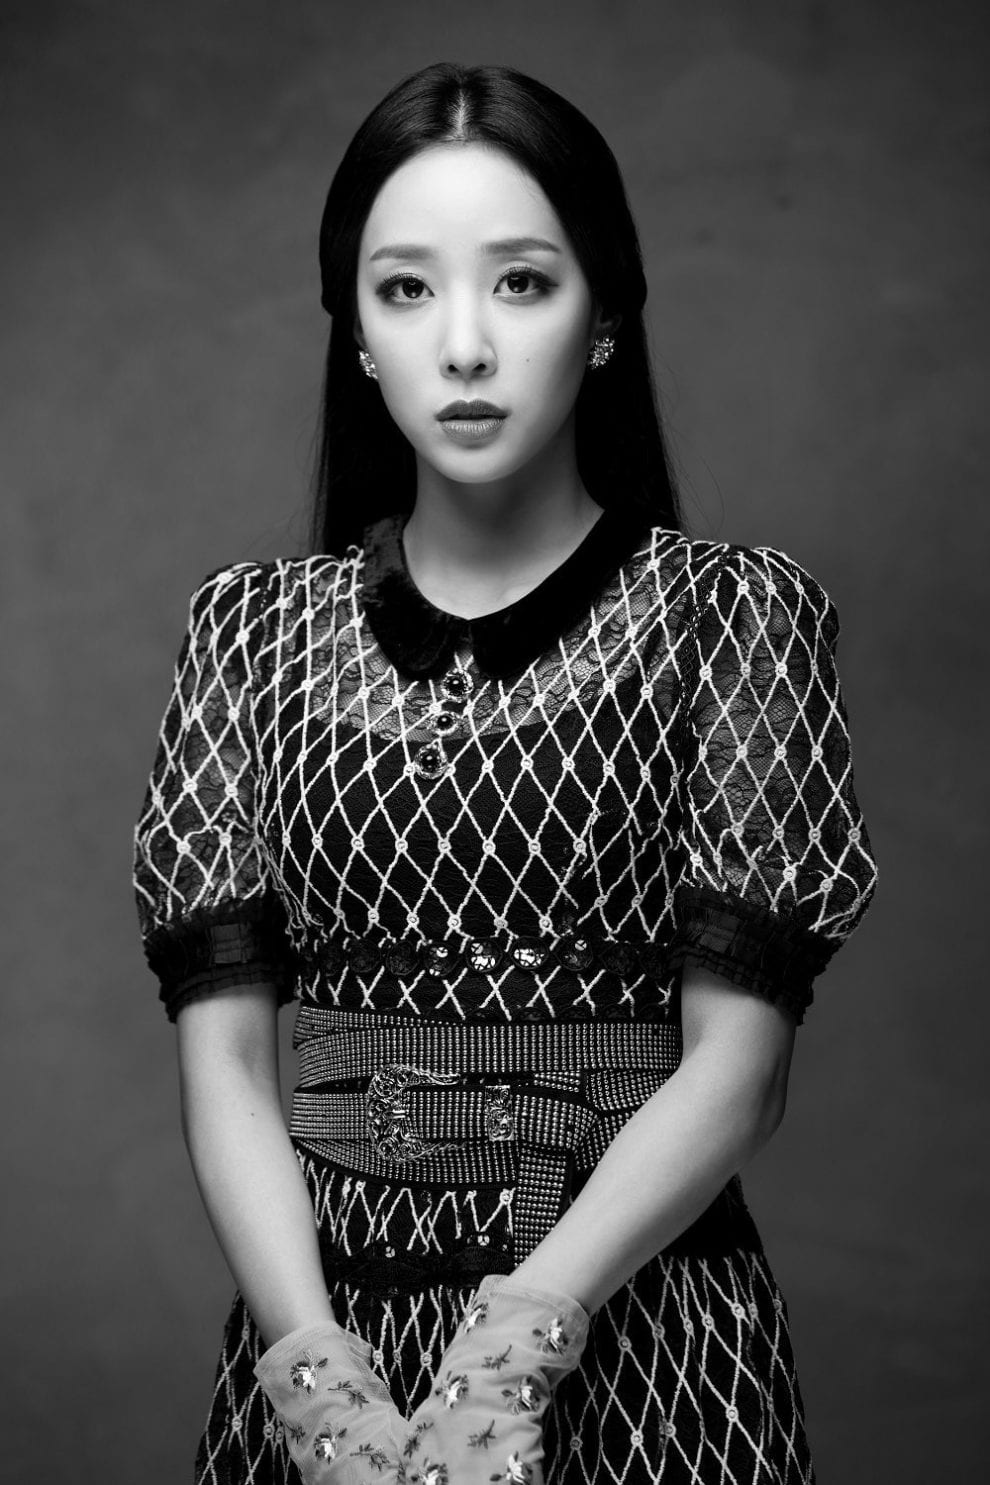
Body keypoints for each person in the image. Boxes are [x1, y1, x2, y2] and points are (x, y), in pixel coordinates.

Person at [133, 61, 878, 1485]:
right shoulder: (249, 632)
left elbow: (742, 1066)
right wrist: (316, 1385)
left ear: (604, 317)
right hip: (329, 1338)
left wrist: (516, 1349)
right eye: (405, 289)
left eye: (522, 283)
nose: (464, 345)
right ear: (356, 332)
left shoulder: (731, 617)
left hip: (649, 1336)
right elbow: (224, 1064)